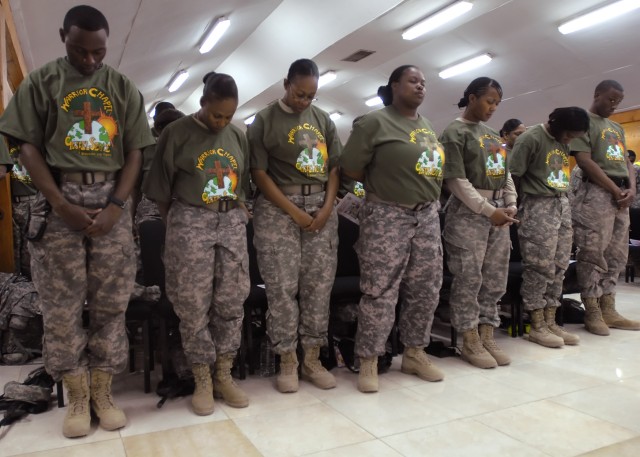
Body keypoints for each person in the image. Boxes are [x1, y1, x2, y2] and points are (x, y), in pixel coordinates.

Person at [0, 5, 154, 438]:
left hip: (109, 199)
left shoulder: (121, 86)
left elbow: (136, 151)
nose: (89, 60)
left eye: (98, 52)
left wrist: (117, 206)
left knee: (110, 303)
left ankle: (103, 391)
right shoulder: (42, 83)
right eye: (79, 50)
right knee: (61, 307)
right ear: (62, 36)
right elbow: (25, 145)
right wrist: (58, 202)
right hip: (58, 201)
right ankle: (77, 394)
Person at [144, 72, 250, 415]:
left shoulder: (237, 135)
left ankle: (224, 373)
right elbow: (160, 189)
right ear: (202, 103)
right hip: (190, 219)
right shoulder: (176, 134)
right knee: (193, 303)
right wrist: (177, 220)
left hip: (230, 218)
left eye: (228, 116)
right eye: (216, 114)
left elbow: (241, 181)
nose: (221, 122)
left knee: (232, 299)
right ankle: (202, 377)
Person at [341, 64, 445, 392]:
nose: (420, 87)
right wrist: (388, 187)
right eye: (413, 81)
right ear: (395, 85)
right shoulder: (374, 123)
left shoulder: (426, 126)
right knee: (381, 290)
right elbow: (351, 168)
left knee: (426, 287)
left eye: (423, 83)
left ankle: (414, 352)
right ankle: (369, 359)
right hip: (387, 215)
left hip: (426, 216)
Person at [249, 58, 340, 393]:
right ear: (286, 83)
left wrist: (328, 207)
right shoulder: (264, 120)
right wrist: (293, 211)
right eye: (300, 94)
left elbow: (333, 169)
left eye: (311, 96)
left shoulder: (323, 119)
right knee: (282, 289)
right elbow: (259, 173)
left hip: (319, 206)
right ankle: (286, 358)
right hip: (278, 211)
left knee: (318, 286)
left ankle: (312, 358)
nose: (305, 101)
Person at [440, 77, 518, 369]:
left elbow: (505, 172)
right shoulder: (454, 132)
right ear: (472, 98)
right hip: (470, 213)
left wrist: (510, 202)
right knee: (468, 279)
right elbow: (455, 180)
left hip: (499, 210)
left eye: (497, 103)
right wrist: (488, 210)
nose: (493, 108)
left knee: (495, 277)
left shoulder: (490, 134)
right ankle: (468, 338)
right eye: (489, 101)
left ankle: (487, 333)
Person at [509, 107, 589, 348]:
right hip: (537, 205)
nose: (569, 141)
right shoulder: (530, 139)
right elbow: (513, 176)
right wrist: (516, 210)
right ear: (555, 125)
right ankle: (536, 324)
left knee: (559, 265)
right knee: (539, 266)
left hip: (561, 203)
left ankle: (551, 319)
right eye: (568, 135)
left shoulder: (561, 140)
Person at [568, 80, 640, 334]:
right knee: (593, 252)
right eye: (610, 99)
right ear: (597, 94)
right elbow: (584, 160)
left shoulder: (617, 128)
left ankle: (609, 307)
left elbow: (627, 163)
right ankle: (592, 310)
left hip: (621, 197)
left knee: (617, 254)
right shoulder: (583, 123)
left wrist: (631, 188)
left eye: (618, 101)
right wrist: (613, 188)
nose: (614, 105)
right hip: (596, 193)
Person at [135, 108, 185, 227]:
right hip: (152, 210)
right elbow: (136, 186)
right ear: (158, 132)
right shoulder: (146, 150)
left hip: (183, 210)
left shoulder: (192, 153)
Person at [4, 139, 38, 277]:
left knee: (31, 253)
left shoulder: (34, 144)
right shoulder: (5, 145)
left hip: (35, 201)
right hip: (13, 204)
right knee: (14, 252)